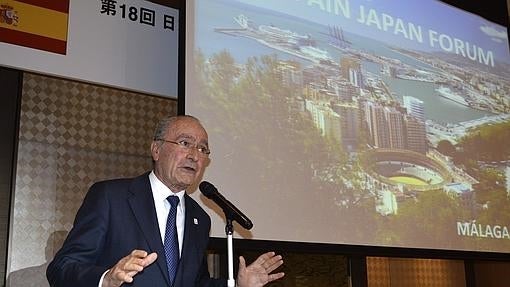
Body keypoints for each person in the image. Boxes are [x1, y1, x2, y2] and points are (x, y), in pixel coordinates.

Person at [46, 115, 284, 287]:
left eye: (203, 149)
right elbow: (61, 268)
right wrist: (106, 278)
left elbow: (195, 282)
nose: (194, 155)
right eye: (184, 143)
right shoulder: (111, 197)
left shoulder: (199, 218)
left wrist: (237, 285)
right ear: (156, 150)